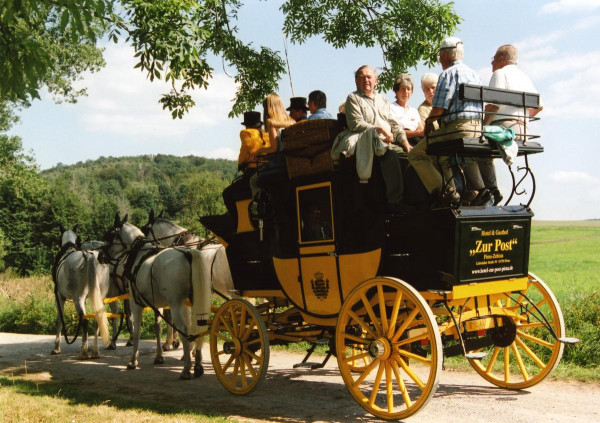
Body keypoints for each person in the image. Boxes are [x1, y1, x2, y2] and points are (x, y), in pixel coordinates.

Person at [408, 37, 482, 207]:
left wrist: (428, 126)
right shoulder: (473, 74)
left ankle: (446, 193)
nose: (440, 59)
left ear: (447, 55)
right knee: (442, 155)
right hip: (477, 129)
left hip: (457, 130)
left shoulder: (448, 74)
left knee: (415, 154)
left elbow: (438, 110)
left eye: (440, 55)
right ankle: (454, 192)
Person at [331, 65, 411, 212]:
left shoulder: (382, 99)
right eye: (361, 77)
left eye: (369, 77)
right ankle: (394, 201)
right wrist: (379, 129)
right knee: (391, 155)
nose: (366, 80)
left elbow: (393, 123)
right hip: (368, 141)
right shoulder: (353, 98)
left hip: (387, 140)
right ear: (356, 81)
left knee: (408, 157)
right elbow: (356, 124)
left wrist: (405, 142)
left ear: (376, 80)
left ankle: (412, 198)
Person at [250, 93, 296, 197]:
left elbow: (274, 148)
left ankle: (259, 207)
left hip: (279, 163)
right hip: (291, 161)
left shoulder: (271, 122)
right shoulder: (291, 121)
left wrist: (259, 151)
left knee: (253, 181)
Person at [389, 74, 424, 147]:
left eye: (408, 89)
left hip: (417, 142)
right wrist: (417, 133)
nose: (406, 92)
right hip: (400, 143)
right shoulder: (390, 108)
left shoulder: (414, 111)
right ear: (396, 91)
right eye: (402, 88)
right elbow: (395, 132)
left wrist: (419, 133)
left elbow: (421, 130)